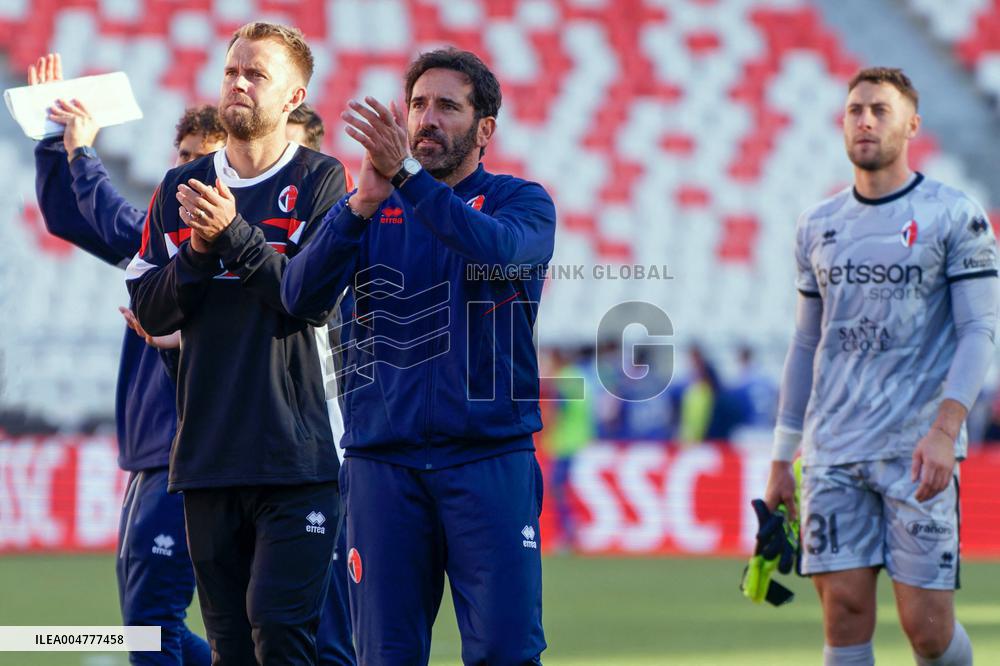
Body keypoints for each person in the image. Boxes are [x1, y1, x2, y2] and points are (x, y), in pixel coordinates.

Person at [281, 48, 555, 665]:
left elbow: (496, 251)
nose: (427, 119)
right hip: (383, 467)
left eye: (448, 107)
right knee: (385, 657)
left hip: (488, 459)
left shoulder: (523, 203)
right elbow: (296, 298)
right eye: (418, 105)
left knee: (506, 655)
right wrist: (357, 208)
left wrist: (409, 178)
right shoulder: (368, 209)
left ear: (485, 129)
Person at [126, 22, 352, 664]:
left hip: (296, 455)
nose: (240, 83)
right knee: (230, 646)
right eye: (232, 71)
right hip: (207, 453)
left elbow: (305, 298)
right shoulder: (180, 188)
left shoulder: (320, 180)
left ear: (293, 97)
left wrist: (230, 234)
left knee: (280, 631)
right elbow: (150, 307)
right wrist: (198, 251)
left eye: (257, 74)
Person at [764, 67, 997, 666]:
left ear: (912, 124)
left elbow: (979, 330)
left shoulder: (955, 215)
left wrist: (946, 430)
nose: (865, 119)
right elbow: (805, 344)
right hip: (832, 450)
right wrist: (780, 457)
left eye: (881, 109)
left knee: (927, 628)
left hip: (916, 450)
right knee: (842, 614)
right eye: (855, 110)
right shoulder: (817, 224)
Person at [30, 52, 218, 665]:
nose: (189, 168)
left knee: (149, 629)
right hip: (166, 455)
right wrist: (51, 138)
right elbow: (68, 217)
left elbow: (111, 220)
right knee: (162, 627)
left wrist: (82, 152)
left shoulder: (199, 250)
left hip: (180, 458)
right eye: (183, 154)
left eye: (203, 157)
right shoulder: (161, 241)